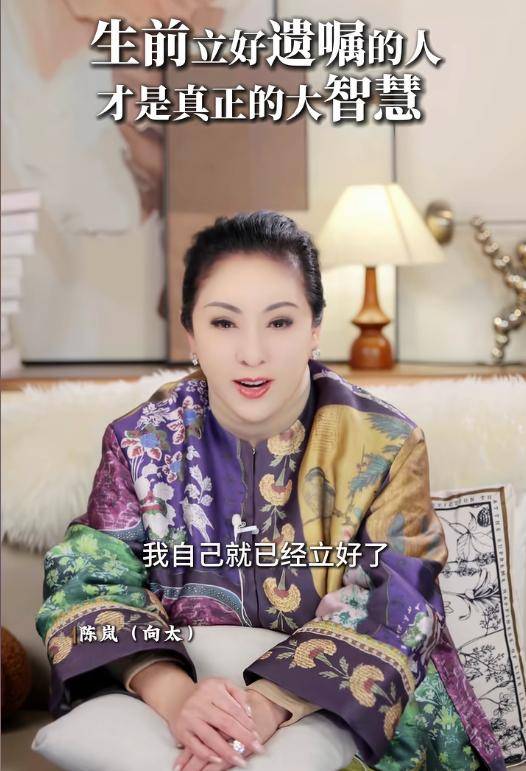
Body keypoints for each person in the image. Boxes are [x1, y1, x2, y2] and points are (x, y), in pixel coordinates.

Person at [35, 211, 505, 771]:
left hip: (352, 709)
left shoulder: (386, 443)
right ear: (191, 333)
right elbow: (88, 580)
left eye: (279, 322)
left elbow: (399, 596)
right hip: (187, 686)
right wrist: (177, 696)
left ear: (315, 329)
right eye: (224, 322)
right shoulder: (140, 441)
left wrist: (266, 706)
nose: (252, 353)